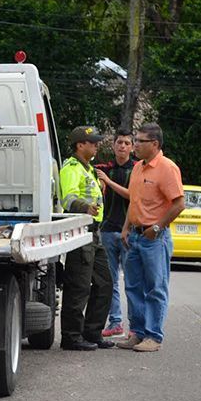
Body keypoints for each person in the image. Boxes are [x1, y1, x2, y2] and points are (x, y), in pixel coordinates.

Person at [118, 123, 185, 352]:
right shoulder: (137, 168)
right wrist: (126, 228)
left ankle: (154, 336)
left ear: (154, 144)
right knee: (133, 286)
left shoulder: (167, 168)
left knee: (155, 288)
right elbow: (133, 202)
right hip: (135, 237)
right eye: (135, 140)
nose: (134, 145)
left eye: (139, 141)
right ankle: (137, 332)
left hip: (154, 238)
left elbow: (179, 204)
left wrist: (157, 228)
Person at [58, 126, 115, 351]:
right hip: (80, 231)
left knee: (104, 284)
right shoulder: (71, 168)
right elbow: (68, 199)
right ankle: (71, 337)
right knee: (79, 286)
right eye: (92, 142)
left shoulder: (88, 168)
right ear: (80, 145)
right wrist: (85, 207)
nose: (96, 145)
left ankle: (92, 333)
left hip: (95, 232)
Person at [94, 131, 136, 338]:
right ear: (113, 145)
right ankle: (115, 323)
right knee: (110, 281)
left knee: (132, 281)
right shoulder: (103, 169)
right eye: (119, 142)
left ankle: (135, 327)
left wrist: (108, 183)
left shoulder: (137, 169)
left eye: (127, 143)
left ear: (132, 147)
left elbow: (132, 195)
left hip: (128, 232)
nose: (122, 146)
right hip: (108, 230)